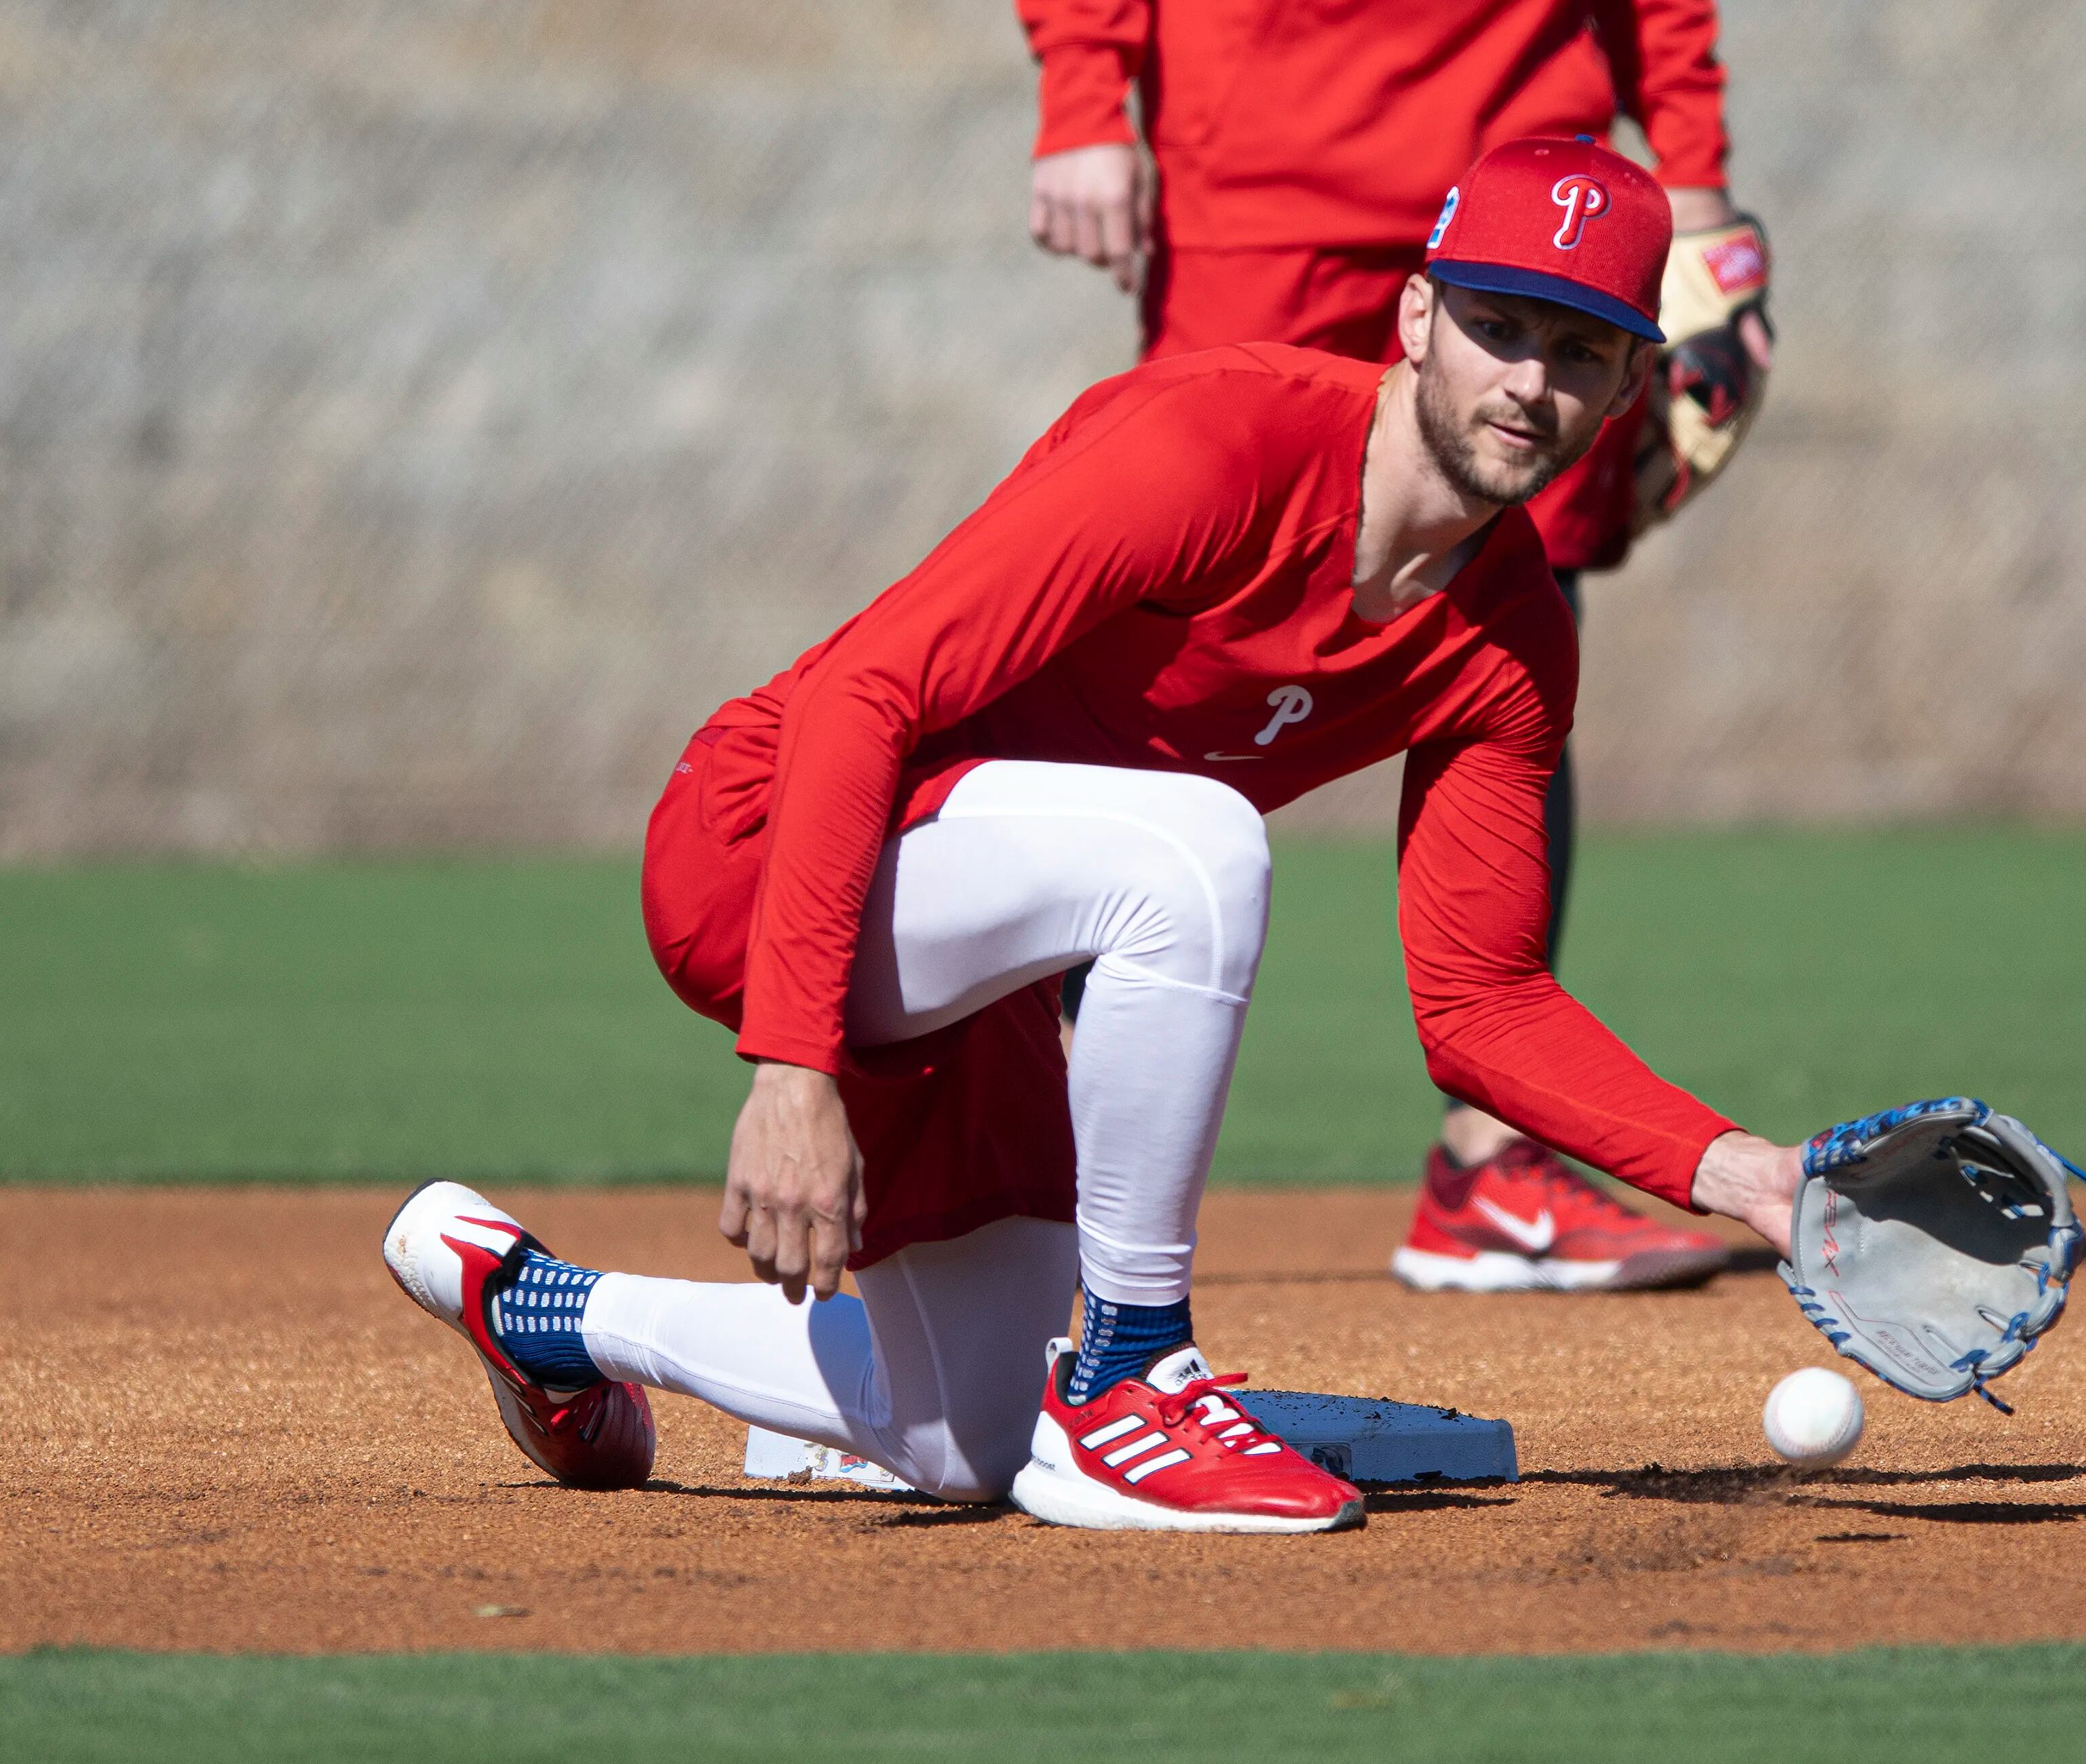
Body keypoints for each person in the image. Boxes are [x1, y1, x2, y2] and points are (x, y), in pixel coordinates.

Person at [381, 140, 1802, 1535]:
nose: (1527, 379)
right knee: (1197, 848)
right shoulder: (1219, 444)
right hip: (767, 845)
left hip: (986, 936)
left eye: (1578, 346)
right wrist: (793, 1063)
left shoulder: (1512, 641)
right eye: (1497, 325)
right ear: (1417, 316)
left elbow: (1481, 1003)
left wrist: (1753, 1177)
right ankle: (1138, 1369)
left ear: (1628, 385)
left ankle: (541, 1310)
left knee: (962, 1437)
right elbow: (870, 693)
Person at [1017, 0, 1775, 1292]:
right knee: (1180, 621)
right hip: (1264, 171)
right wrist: (1087, 93)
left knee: (1515, 613)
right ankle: (1034, 1167)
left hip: (1537, 168)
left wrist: (1696, 191)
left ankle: (1495, 1163)